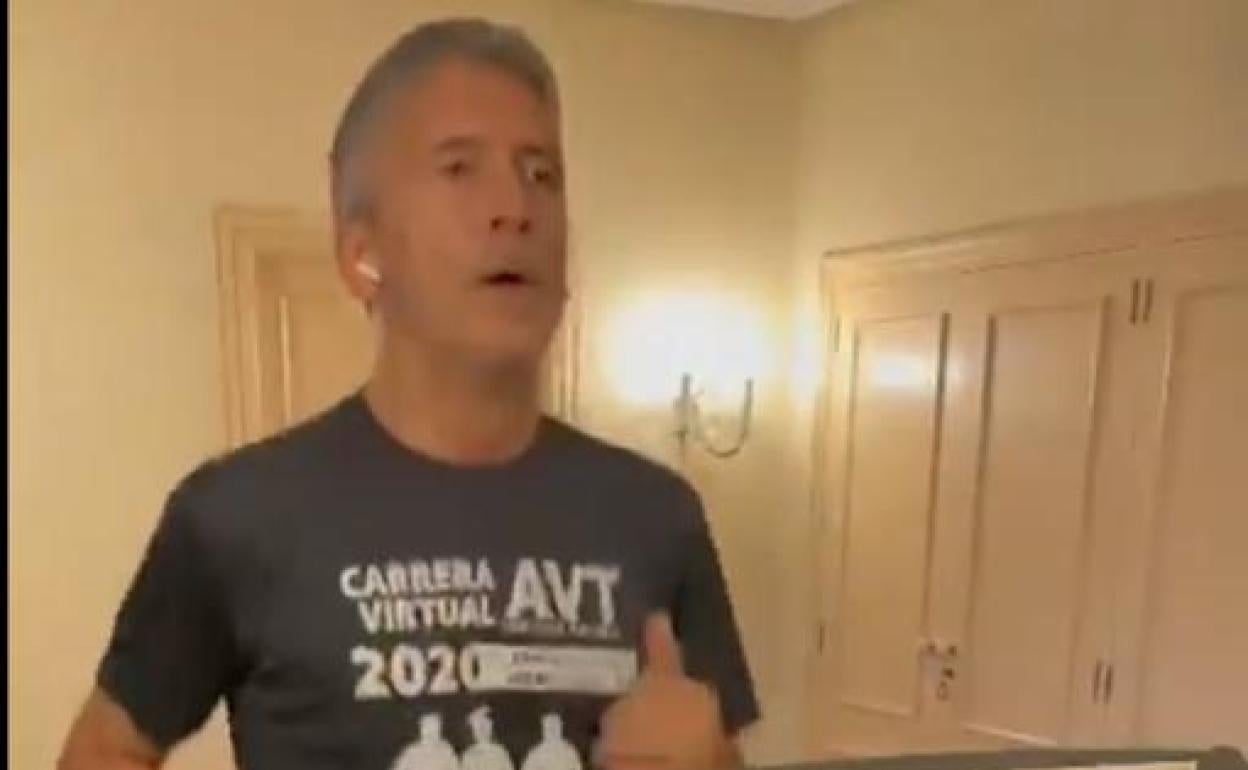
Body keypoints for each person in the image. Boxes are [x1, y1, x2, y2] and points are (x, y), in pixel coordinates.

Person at [57, 17, 758, 770]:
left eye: (541, 174)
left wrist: (713, 765)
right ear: (362, 255)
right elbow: (104, 752)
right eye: (460, 169)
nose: (515, 208)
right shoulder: (233, 518)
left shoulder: (658, 516)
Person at [391, 713, 460, 770]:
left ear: (439, 730)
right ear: (421, 729)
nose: (430, 732)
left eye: (434, 728)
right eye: (427, 727)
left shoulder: (446, 750)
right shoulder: (412, 750)